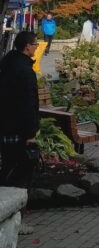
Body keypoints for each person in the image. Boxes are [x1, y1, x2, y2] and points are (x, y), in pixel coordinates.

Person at [0, 31, 40, 235]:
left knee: (8, 169)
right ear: (27, 47)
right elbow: (28, 103)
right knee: (19, 176)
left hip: (6, 127)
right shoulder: (24, 70)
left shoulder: (7, 64)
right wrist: (30, 132)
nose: (37, 47)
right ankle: (15, 219)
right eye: (35, 44)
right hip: (18, 130)